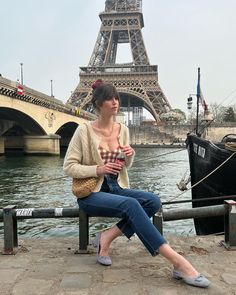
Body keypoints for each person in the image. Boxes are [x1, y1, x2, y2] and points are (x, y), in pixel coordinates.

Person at [63, 80, 210, 288]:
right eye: (108, 98)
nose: (114, 102)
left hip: (116, 187)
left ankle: (106, 237)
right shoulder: (83, 131)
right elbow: (68, 167)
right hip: (92, 192)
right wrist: (99, 169)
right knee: (132, 205)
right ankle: (177, 261)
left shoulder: (122, 129)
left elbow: (125, 167)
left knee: (153, 201)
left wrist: (130, 156)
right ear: (97, 104)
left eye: (116, 98)